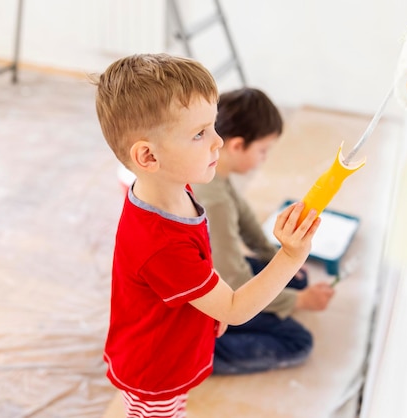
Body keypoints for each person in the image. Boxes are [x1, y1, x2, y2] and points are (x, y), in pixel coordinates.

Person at [93, 53, 320, 418]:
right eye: (200, 133)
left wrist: (214, 302)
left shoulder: (172, 188)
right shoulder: (162, 242)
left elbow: (201, 264)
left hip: (169, 348)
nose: (218, 142)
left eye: (212, 126)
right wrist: (290, 256)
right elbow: (236, 307)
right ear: (148, 157)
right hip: (156, 373)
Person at [191, 88, 335, 375]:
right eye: (262, 150)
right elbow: (233, 281)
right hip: (206, 297)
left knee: (292, 278)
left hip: (216, 273)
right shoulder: (214, 198)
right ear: (237, 146)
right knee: (298, 342)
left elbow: (245, 223)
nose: (264, 158)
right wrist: (301, 301)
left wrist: (276, 258)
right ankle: (201, 352)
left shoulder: (217, 174)